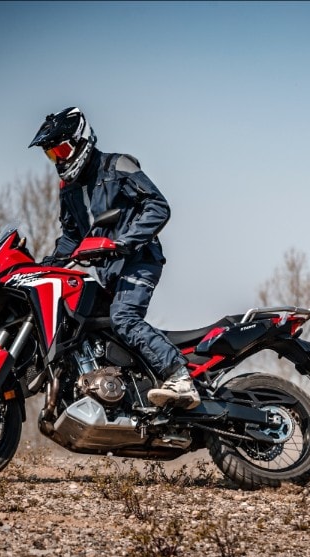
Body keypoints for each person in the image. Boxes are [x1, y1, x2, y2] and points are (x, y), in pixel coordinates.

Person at [28, 106, 200, 409]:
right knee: (89, 328)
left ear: (80, 140)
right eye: (51, 155)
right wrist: (46, 266)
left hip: (139, 260)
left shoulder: (117, 165)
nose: (59, 160)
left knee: (124, 318)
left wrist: (124, 242)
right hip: (109, 271)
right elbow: (71, 237)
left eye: (61, 150)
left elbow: (157, 206)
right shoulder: (69, 189)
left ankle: (179, 376)